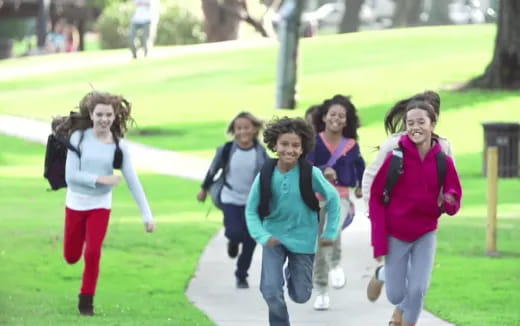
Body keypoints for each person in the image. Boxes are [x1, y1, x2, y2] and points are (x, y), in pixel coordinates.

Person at [367, 101, 462, 326]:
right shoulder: (395, 158)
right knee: (396, 295)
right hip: (396, 232)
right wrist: (379, 241)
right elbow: (376, 198)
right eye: (410, 123)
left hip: (425, 232)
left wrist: (449, 199)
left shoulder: (442, 160)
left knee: (419, 288)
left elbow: (454, 191)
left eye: (421, 122)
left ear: (433, 124)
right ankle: (383, 274)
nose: (415, 127)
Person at [62, 91, 156, 316]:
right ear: (91, 115)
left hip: (100, 205)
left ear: (115, 117)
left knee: (93, 252)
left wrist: (147, 215)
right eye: (99, 114)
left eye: (108, 115)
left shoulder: (119, 147)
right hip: (76, 203)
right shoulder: (79, 138)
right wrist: (101, 179)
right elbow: (71, 176)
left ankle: (86, 301)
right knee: (71, 256)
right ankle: (76, 252)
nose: (104, 119)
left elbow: (133, 181)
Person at [245, 117, 341, 326]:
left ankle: (291, 272)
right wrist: (262, 236)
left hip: (303, 240)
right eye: (284, 144)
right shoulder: (266, 174)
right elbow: (251, 210)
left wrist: (330, 232)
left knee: (301, 295)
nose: (289, 149)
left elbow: (333, 199)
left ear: (303, 147)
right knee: (270, 290)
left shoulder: (311, 173)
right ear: (274, 145)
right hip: (273, 238)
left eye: (295, 145)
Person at [306, 94, 365, 310]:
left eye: (342, 116)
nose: (337, 119)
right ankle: (321, 291)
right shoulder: (313, 142)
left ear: (347, 121)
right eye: (333, 114)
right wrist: (323, 170)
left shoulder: (351, 145)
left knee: (332, 226)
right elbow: (305, 168)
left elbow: (360, 166)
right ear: (324, 117)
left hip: (340, 198)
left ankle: (336, 263)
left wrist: (359, 185)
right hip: (317, 200)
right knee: (320, 244)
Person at [197, 111, 268, 288]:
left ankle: (241, 274)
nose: (242, 131)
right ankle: (233, 242)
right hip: (230, 197)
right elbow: (213, 170)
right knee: (234, 232)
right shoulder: (227, 150)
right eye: (238, 128)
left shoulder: (260, 153)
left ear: (254, 130)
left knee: (251, 240)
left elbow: (268, 177)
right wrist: (204, 189)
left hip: (252, 202)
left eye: (246, 128)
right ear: (233, 131)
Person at [361, 90, 454, 203]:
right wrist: (369, 209)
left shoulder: (443, 146)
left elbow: (451, 182)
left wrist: (447, 200)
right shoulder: (393, 144)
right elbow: (371, 175)